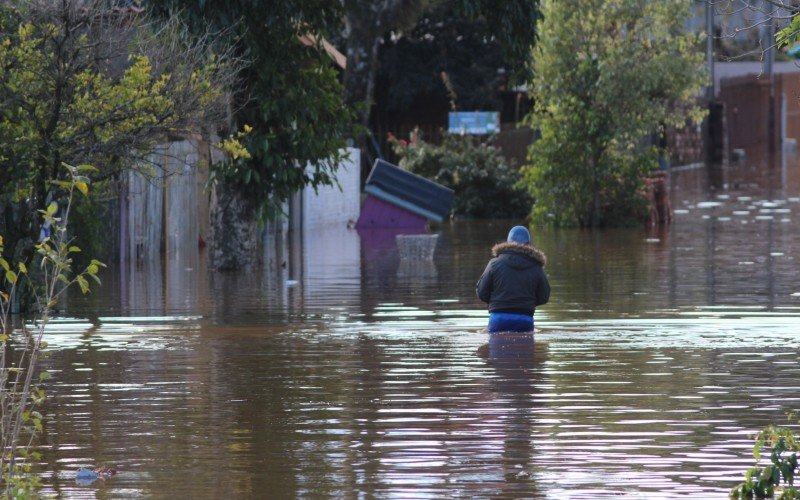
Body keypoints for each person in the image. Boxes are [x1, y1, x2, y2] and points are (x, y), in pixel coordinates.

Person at [476, 225, 550, 333]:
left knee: (488, 340)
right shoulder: (536, 267)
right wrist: (527, 303)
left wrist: (496, 302)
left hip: (498, 319)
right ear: (529, 244)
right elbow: (544, 296)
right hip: (525, 319)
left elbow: (481, 292)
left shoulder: (494, 264)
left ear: (508, 242)